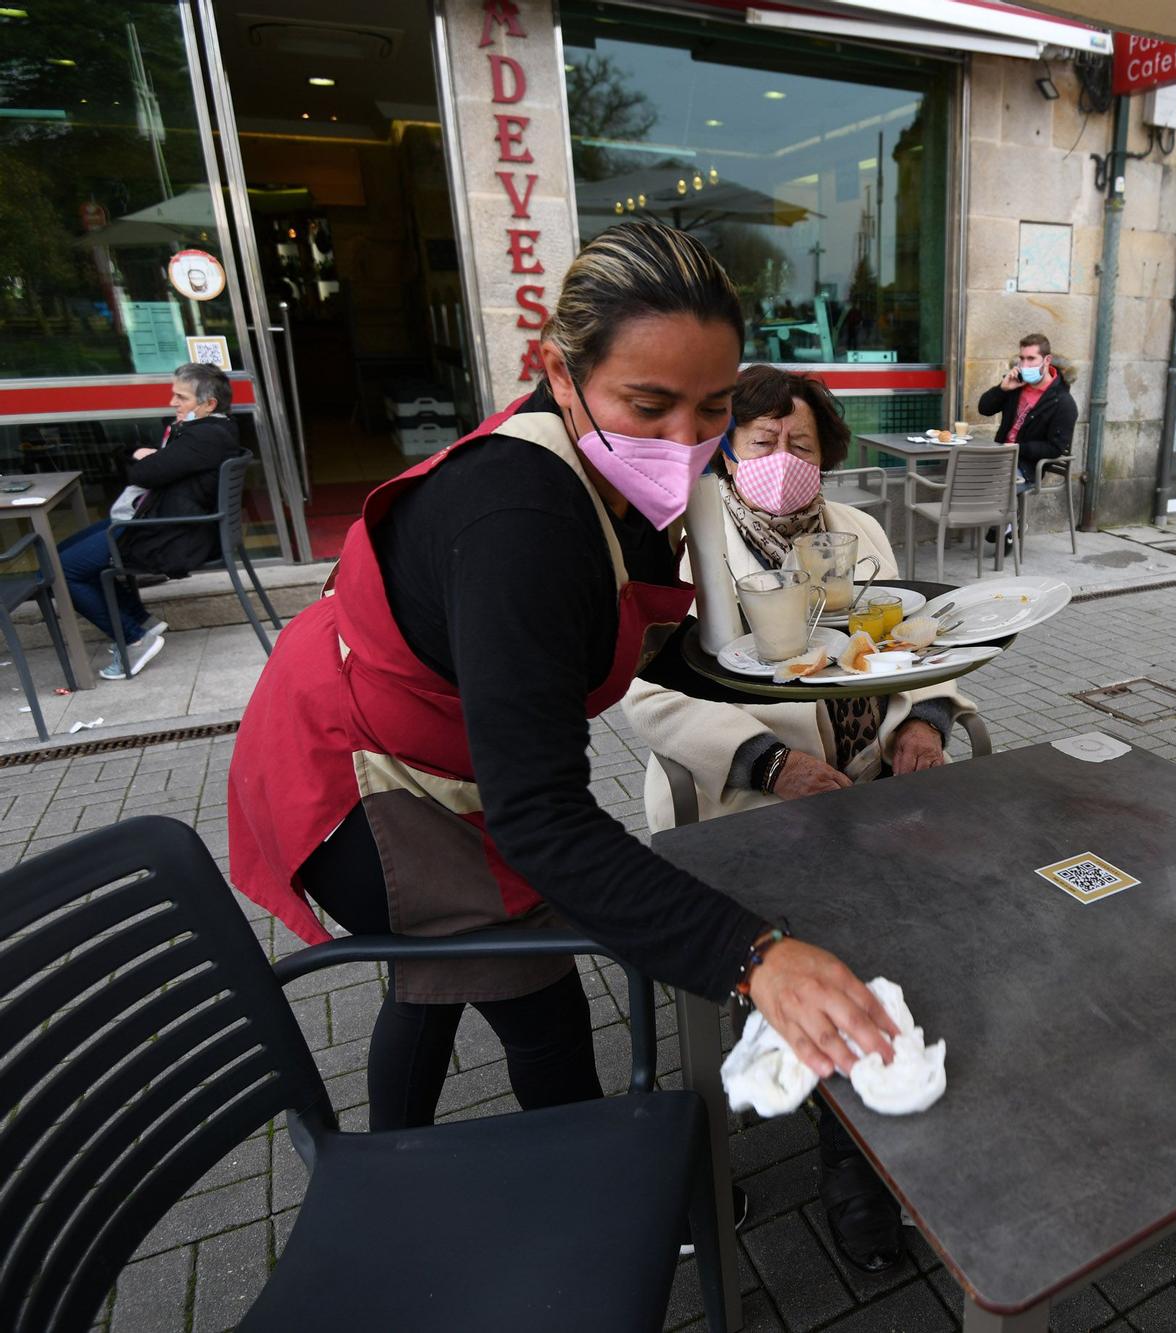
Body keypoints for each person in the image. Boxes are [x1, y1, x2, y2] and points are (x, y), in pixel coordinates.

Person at [227, 220, 898, 1148]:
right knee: (520, 982)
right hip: (365, 770)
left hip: (448, 740)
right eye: (649, 402)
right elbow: (542, 815)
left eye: (712, 411)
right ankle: (583, 1178)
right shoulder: (518, 519)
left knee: (440, 966)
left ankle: (383, 1160)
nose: (685, 440)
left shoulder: (621, 478)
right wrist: (754, 956)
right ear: (556, 368)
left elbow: (635, 642)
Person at [625, 365, 977, 1272]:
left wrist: (926, 722)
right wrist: (769, 761)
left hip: (870, 788)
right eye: (761, 441)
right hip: (741, 801)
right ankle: (854, 1170)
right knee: (841, 938)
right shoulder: (683, 538)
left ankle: (871, 1140)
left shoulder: (856, 528)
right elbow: (644, 695)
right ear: (725, 448)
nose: (783, 459)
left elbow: (913, 635)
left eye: (802, 445)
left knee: (932, 920)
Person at [60, 362, 246, 680]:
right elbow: (154, 467)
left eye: (181, 397)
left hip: (169, 534)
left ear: (208, 404)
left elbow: (144, 473)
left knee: (63, 571)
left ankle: (134, 638)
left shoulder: (204, 437)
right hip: (162, 523)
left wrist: (138, 456)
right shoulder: (208, 431)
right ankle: (139, 621)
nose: (173, 403)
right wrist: (145, 454)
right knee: (60, 554)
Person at [978, 332, 1077, 483]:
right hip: (999, 458)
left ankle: (1005, 507)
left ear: (1047, 360)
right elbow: (984, 409)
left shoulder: (1063, 402)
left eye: (1031, 359)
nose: (1025, 365)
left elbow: (1054, 448)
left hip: (1027, 468)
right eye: (1022, 359)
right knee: (961, 473)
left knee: (985, 485)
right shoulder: (1016, 386)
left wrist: (1017, 448)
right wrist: (1002, 389)